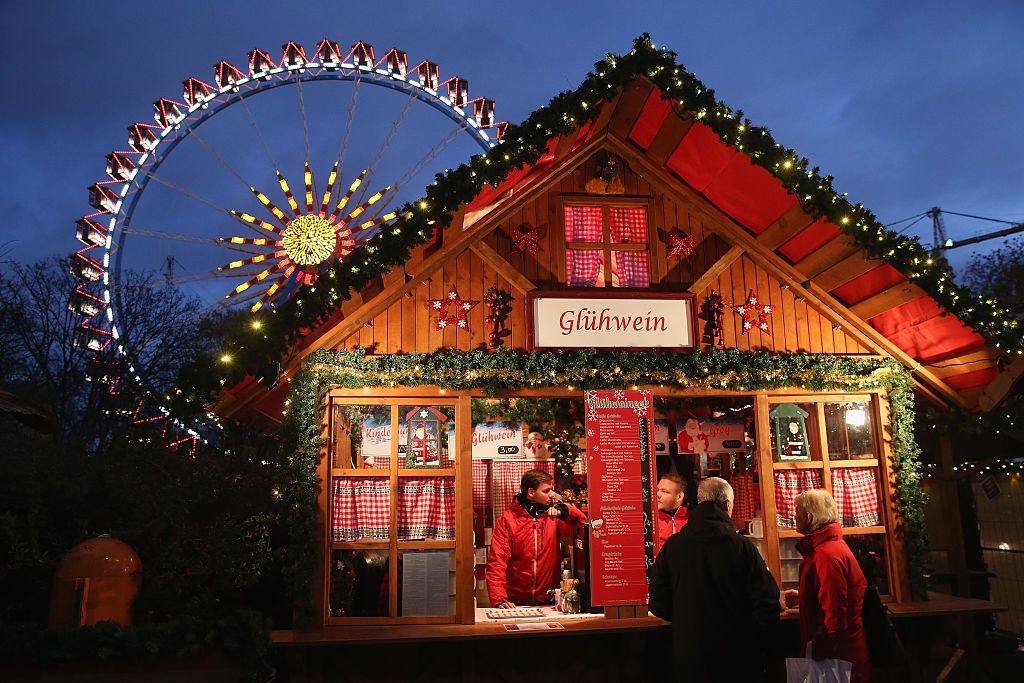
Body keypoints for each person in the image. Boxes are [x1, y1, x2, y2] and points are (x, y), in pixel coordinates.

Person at [649, 477, 780, 683]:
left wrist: (686, 622)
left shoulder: (674, 546)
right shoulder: (742, 547)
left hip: (690, 657)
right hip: (737, 657)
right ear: (727, 504)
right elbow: (768, 601)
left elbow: (658, 603)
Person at [783, 489, 871, 682]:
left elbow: (835, 615)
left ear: (808, 517)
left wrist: (817, 650)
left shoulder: (826, 554)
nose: (793, 516)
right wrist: (804, 597)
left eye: (796, 511)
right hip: (843, 653)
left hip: (838, 659)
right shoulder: (829, 548)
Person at [486, 469, 586, 608]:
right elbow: (498, 561)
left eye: (552, 489)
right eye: (546, 491)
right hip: (515, 603)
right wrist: (499, 599)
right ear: (531, 493)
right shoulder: (507, 519)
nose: (552, 494)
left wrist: (566, 511)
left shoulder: (554, 515)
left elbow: (583, 524)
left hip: (550, 601)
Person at [655, 473, 689, 556]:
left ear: (679, 496)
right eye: (657, 490)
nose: (657, 495)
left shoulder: (692, 520)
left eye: (664, 491)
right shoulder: (651, 519)